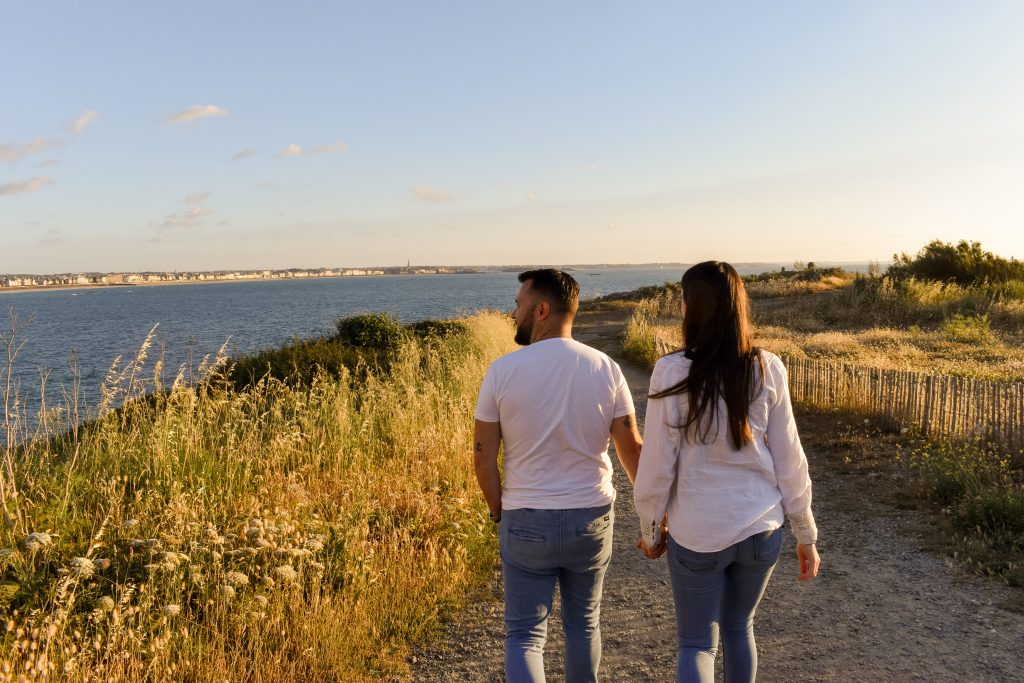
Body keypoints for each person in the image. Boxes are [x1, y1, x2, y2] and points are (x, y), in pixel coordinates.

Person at [634, 261, 820, 683]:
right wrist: (805, 533)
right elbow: (790, 456)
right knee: (739, 628)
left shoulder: (672, 370)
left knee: (697, 642)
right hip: (761, 530)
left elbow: (657, 466)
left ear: (692, 308)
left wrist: (651, 531)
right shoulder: (767, 367)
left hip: (697, 533)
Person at [473, 268, 643, 683]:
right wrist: (653, 514)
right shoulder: (606, 369)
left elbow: (482, 455)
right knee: (584, 625)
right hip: (589, 517)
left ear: (542, 310)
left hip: (526, 517)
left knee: (525, 636)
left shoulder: (502, 371)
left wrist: (499, 509)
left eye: (519, 304)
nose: (514, 313)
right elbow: (632, 449)